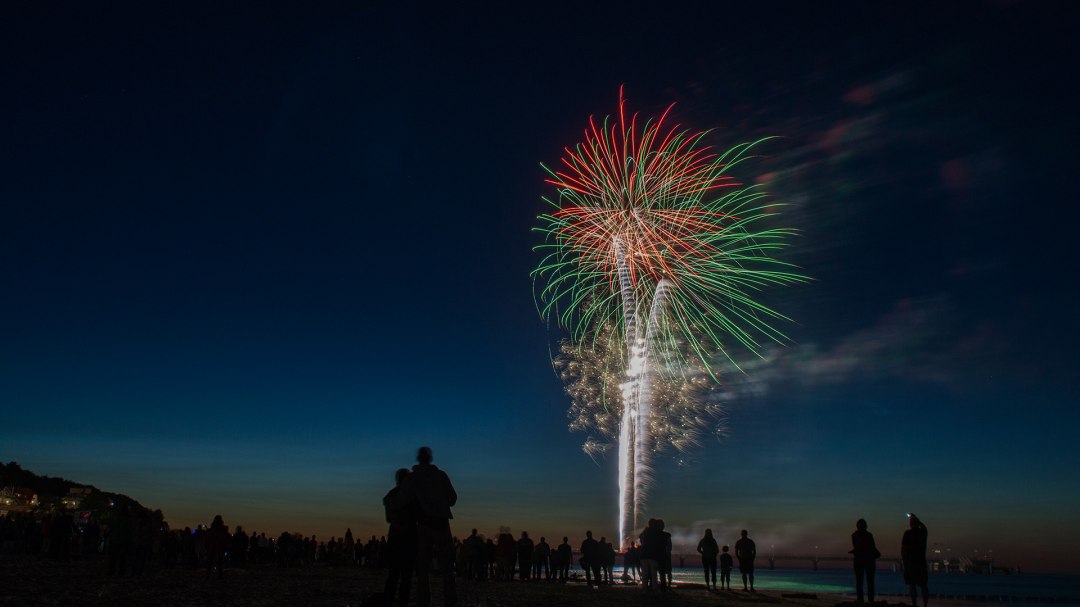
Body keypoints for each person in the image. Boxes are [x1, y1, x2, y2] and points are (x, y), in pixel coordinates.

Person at [401, 446, 458, 607]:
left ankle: (423, 601)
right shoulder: (440, 476)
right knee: (446, 567)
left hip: (423, 524)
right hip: (441, 523)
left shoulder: (412, 478)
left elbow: (403, 499)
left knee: (423, 568)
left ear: (418, 459)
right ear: (430, 458)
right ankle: (450, 600)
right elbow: (452, 499)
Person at [383, 468, 417, 607]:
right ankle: (402, 601)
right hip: (408, 537)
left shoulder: (390, 496)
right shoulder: (412, 496)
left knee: (393, 573)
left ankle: (388, 600)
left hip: (395, 536)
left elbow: (388, 518)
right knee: (406, 576)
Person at [850, 518, 881, 603]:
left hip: (858, 560)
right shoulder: (869, 535)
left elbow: (857, 547)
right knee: (870, 581)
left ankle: (860, 599)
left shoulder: (854, 535)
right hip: (869, 561)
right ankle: (871, 600)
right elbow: (872, 547)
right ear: (865, 526)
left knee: (859, 581)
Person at [901, 514, 929, 607]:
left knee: (912, 585)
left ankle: (914, 604)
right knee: (923, 585)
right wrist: (918, 519)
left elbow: (903, 549)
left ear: (910, 524)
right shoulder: (922, 533)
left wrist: (904, 562)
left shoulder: (907, 534)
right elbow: (924, 527)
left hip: (910, 563)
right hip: (921, 562)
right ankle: (925, 605)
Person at [205, 515, 229, 579]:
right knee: (219, 562)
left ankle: (208, 574)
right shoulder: (223, 529)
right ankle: (219, 574)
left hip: (213, 546)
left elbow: (208, 538)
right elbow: (226, 538)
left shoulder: (213, 528)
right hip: (220, 546)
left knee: (211, 561)